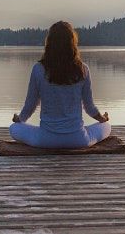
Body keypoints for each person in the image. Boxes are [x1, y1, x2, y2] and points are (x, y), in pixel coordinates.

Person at [9, 21, 111, 149]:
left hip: (46, 140)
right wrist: (102, 119)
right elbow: (89, 107)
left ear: (49, 43)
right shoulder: (83, 69)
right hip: (78, 140)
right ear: (72, 43)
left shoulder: (38, 69)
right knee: (107, 126)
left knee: (14, 128)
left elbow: (31, 104)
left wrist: (20, 119)